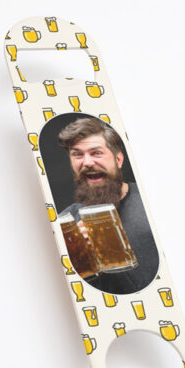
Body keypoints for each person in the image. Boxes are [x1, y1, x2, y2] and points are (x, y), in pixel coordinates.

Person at [58, 117, 158, 294]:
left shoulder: (152, 199)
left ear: (118, 160)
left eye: (96, 153)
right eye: (77, 154)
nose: (87, 162)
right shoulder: (66, 223)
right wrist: (74, 257)